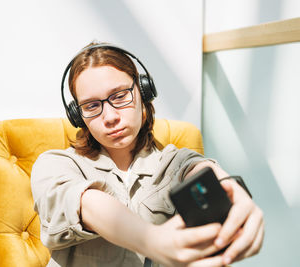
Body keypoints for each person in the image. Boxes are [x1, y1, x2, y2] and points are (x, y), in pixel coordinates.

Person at [31, 42, 264, 267]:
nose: (110, 116)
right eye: (92, 106)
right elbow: (87, 203)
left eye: (120, 95)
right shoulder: (54, 164)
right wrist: (152, 240)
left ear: (143, 94)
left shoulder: (173, 162)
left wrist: (233, 193)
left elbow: (200, 169)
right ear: (78, 116)